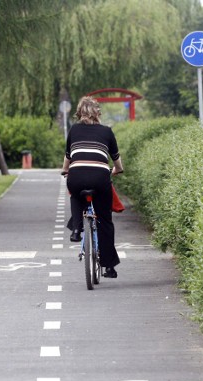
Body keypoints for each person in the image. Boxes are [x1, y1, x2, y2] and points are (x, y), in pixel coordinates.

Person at [61, 96, 124, 278]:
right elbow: (117, 161)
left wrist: (66, 171)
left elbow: (68, 156)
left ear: (79, 113)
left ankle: (76, 229)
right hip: (100, 178)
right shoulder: (107, 131)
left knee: (75, 192)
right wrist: (116, 170)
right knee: (105, 221)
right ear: (98, 113)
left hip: (77, 176)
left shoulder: (73, 130)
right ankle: (109, 267)